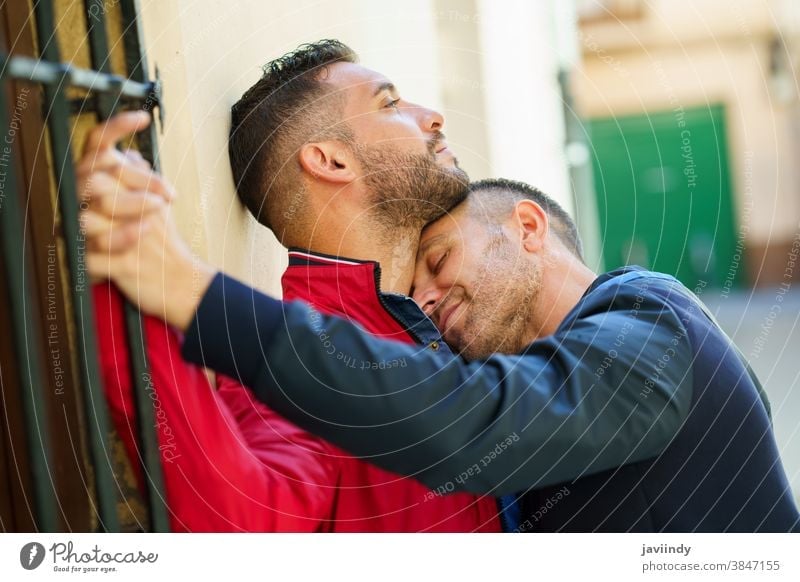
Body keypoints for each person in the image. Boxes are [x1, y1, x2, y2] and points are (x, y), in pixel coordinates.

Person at [85, 145, 800, 531]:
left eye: (439, 261)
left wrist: (189, 292)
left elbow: (471, 417)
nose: (424, 297)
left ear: (526, 229)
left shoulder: (656, 322)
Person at [81, 39, 502, 531]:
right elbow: (241, 522)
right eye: (390, 103)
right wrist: (118, 272)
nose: (432, 117)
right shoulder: (289, 361)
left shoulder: (454, 320)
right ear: (330, 160)